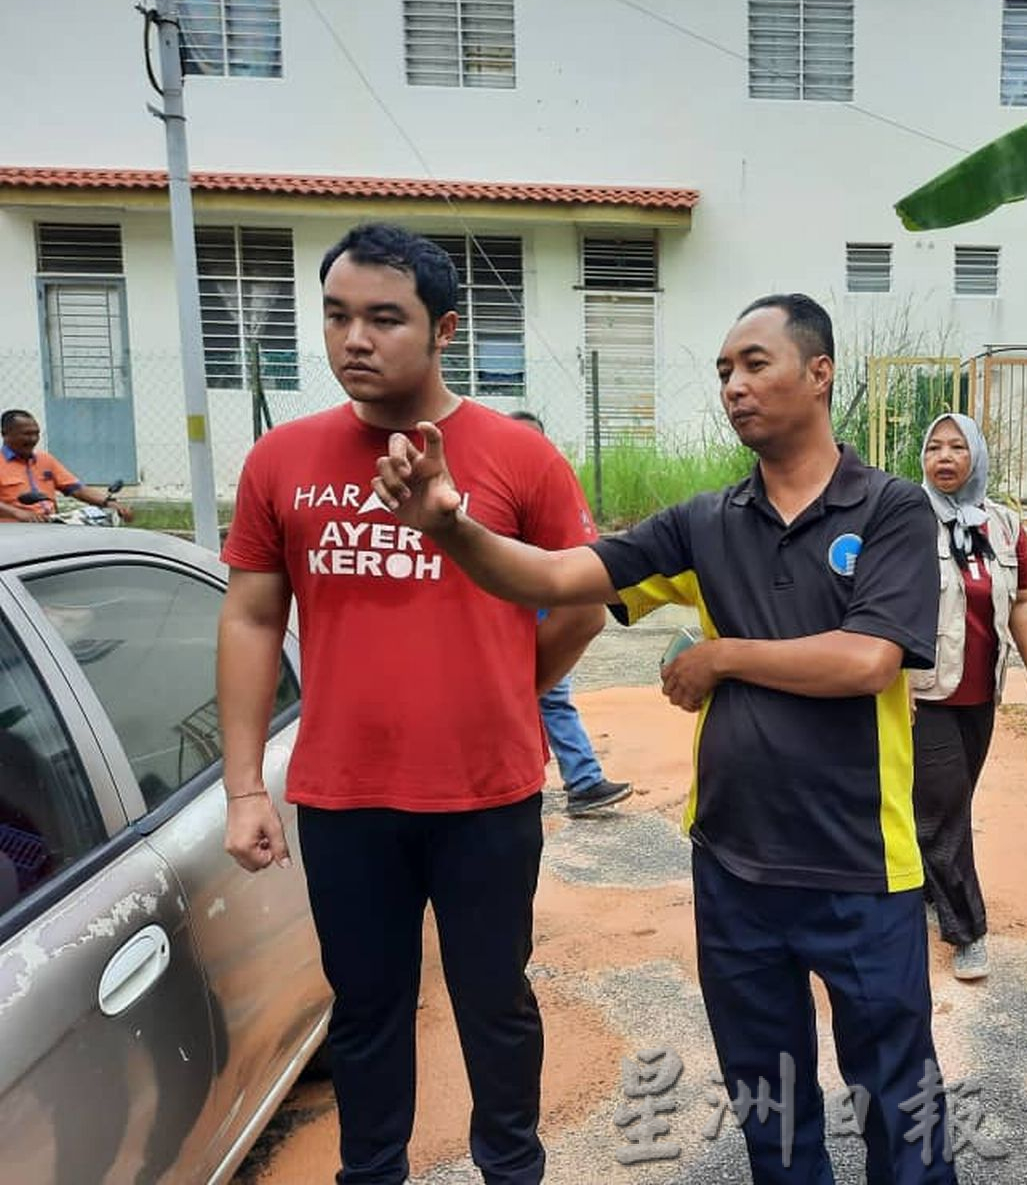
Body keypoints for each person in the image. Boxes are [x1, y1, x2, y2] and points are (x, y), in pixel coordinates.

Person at [373, 293, 961, 1185]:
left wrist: (720, 656)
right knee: (772, 1101)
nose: (734, 385)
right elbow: (562, 574)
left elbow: (867, 661)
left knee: (898, 1096)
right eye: (724, 370)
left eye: (755, 363)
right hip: (733, 863)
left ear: (819, 372)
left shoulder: (889, 511)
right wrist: (452, 526)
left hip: (860, 865)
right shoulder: (704, 522)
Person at [218, 223, 604, 1185]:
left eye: (385, 318)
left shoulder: (517, 457)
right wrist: (241, 790)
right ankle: (371, 1171)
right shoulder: (282, 459)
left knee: (493, 1000)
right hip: (346, 797)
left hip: (487, 796)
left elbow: (584, 600)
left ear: (444, 330)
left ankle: (512, 1166)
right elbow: (254, 618)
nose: (356, 339)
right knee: (367, 1003)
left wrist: (504, 691)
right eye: (339, 316)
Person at [911, 412, 1027, 982]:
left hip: (979, 691)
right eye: (933, 447)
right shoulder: (904, 520)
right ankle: (967, 929)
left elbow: (1022, 601)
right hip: (924, 691)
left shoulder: (1003, 525)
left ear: (978, 458)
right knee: (944, 812)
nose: (944, 457)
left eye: (957, 447)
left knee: (948, 804)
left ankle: (920, 887)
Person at [505, 410, 632, 817]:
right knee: (548, 695)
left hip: (549, 598)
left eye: (537, 441)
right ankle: (582, 780)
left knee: (549, 693)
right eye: (520, 440)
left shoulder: (548, 484)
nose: (530, 449)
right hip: (515, 606)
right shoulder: (494, 492)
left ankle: (580, 778)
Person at [0, 409, 133, 523]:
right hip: (14, 531)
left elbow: (76, 489)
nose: (33, 439)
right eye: (27, 434)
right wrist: (17, 513)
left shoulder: (45, 459)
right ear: (5, 434)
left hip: (50, 524)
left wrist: (109, 503)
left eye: (37, 433)